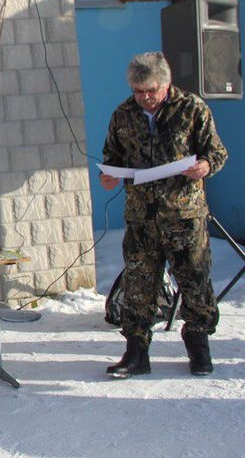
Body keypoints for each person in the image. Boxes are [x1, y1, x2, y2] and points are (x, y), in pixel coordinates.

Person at [100, 52, 227, 378]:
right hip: (142, 217)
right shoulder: (124, 114)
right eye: (138, 91)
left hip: (184, 215)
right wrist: (108, 176)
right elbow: (112, 155)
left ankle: (198, 348)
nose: (145, 98)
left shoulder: (191, 108)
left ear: (166, 84)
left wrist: (206, 166)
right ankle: (136, 354)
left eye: (151, 91)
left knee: (195, 280)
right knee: (139, 285)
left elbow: (216, 151)